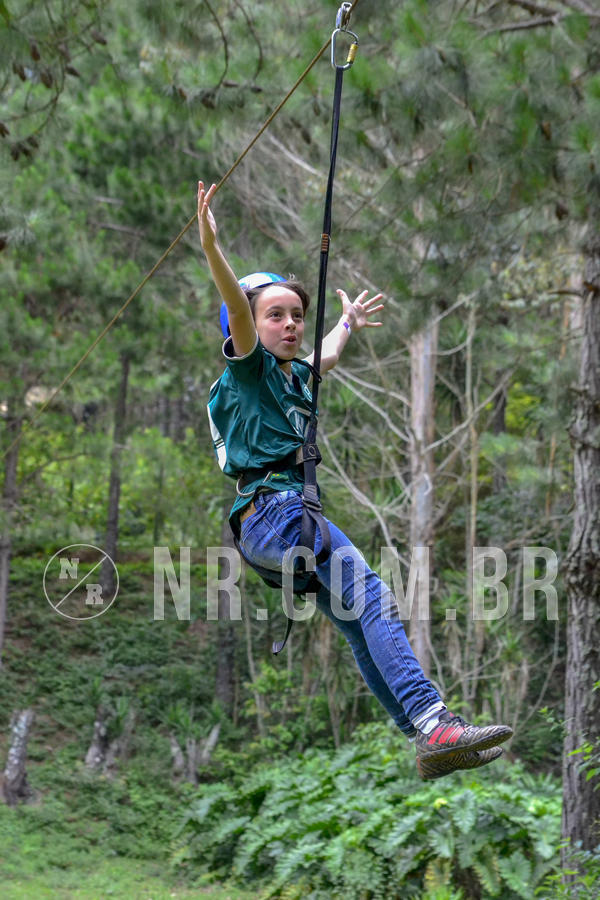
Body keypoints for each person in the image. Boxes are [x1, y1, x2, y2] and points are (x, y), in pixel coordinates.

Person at [198, 180, 512, 780]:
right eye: (275, 316)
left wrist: (342, 322)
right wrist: (214, 250)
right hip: (275, 512)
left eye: (296, 316)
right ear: (246, 327)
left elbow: (328, 357)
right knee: (371, 597)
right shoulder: (248, 372)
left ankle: (424, 737)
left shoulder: (291, 376)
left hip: (267, 525)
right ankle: (435, 723)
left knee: (353, 617)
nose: (290, 325)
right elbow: (237, 308)